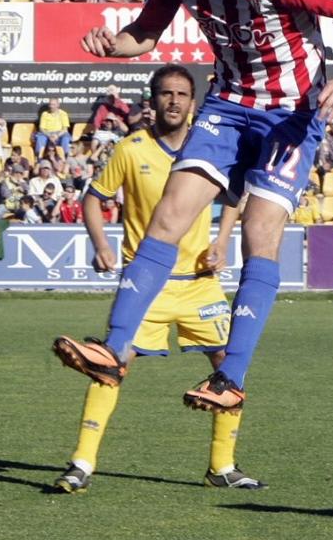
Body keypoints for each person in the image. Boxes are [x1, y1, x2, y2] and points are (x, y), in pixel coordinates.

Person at [51, 0, 333, 415]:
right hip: (228, 105)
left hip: (292, 114)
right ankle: (114, 349)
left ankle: (229, 377)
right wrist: (111, 45)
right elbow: (144, 35)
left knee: (260, 231)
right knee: (169, 214)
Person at [53, 66, 268, 493]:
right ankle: (81, 462)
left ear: (193, 103)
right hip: (147, 285)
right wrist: (100, 244)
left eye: (182, 94)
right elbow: (93, 199)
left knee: (229, 369)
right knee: (111, 367)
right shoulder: (130, 150)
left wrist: (223, 241)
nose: (173, 100)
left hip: (200, 284)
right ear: (152, 101)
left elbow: (232, 195)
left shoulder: (212, 149)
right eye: (165, 93)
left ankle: (222, 467)